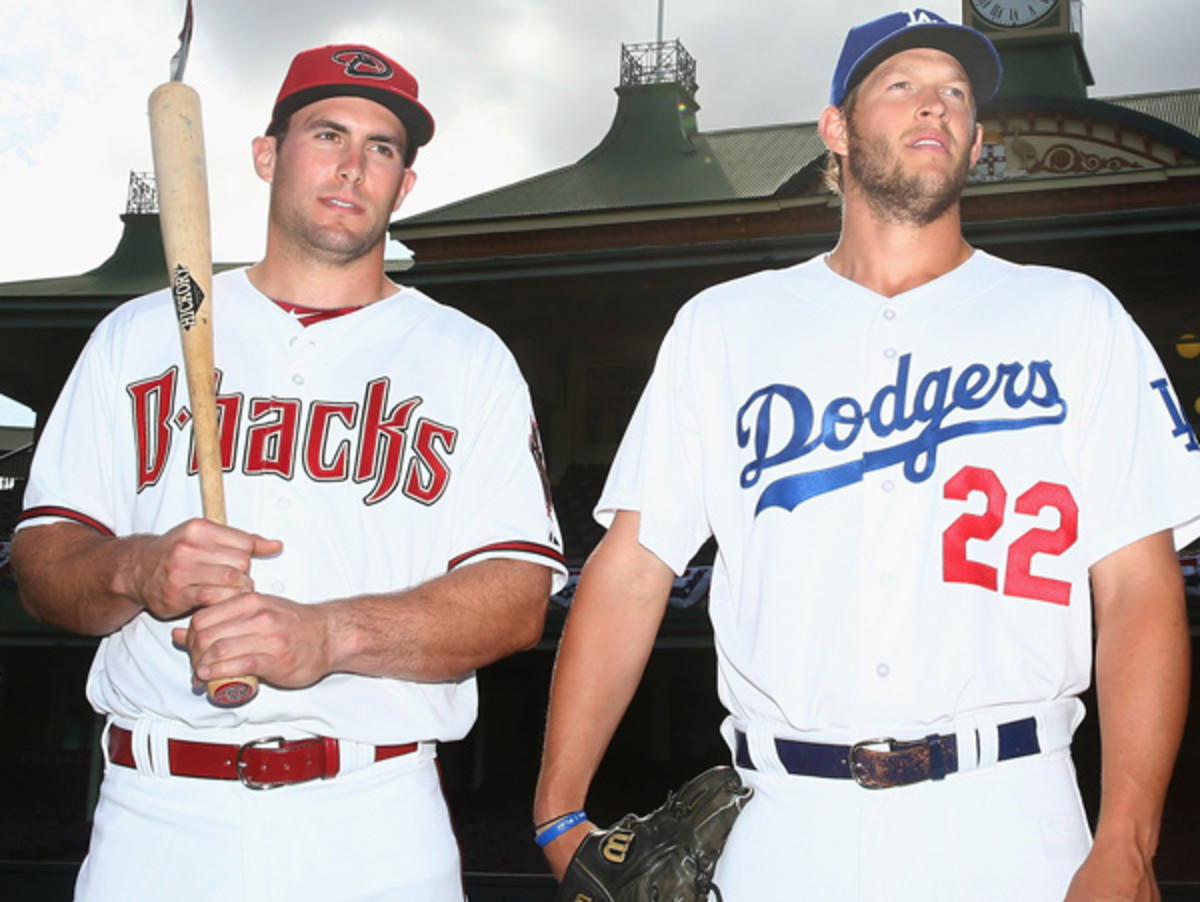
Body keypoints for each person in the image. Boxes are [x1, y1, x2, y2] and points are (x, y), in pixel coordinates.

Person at [534, 9, 1198, 900]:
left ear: (975, 136)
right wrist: (557, 812)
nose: (937, 107)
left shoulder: (1074, 316)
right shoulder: (726, 326)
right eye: (903, 86)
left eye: (956, 94)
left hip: (1013, 811)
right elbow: (630, 569)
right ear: (835, 130)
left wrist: (1128, 839)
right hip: (784, 819)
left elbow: (1137, 584)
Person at [12, 43, 566, 901]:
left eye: (382, 148)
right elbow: (46, 566)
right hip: (154, 816)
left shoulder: (466, 357)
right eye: (327, 134)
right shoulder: (135, 335)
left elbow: (516, 597)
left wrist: (327, 635)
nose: (352, 166)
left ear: (404, 185)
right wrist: (137, 567)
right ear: (268, 155)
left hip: (372, 815)